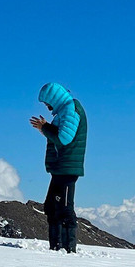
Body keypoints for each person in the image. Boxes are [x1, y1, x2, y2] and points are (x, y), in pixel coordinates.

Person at [29, 82, 87, 253]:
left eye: (47, 103)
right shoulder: (65, 110)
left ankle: (68, 249)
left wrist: (45, 128)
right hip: (61, 167)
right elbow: (62, 134)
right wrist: (46, 128)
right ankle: (56, 247)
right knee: (51, 207)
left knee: (65, 209)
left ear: (53, 99)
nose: (47, 107)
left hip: (67, 168)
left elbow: (63, 139)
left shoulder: (71, 109)